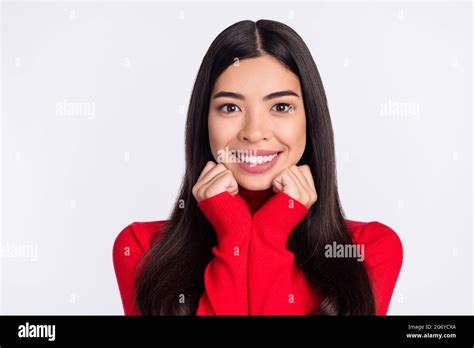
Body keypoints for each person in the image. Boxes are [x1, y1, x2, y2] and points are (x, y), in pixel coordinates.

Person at [113, 19, 403, 316]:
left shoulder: (369, 250)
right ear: (204, 122)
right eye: (230, 107)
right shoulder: (141, 250)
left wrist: (268, 235)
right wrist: (235, 235)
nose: (254, 131)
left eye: (280, 107)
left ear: (310, 119)